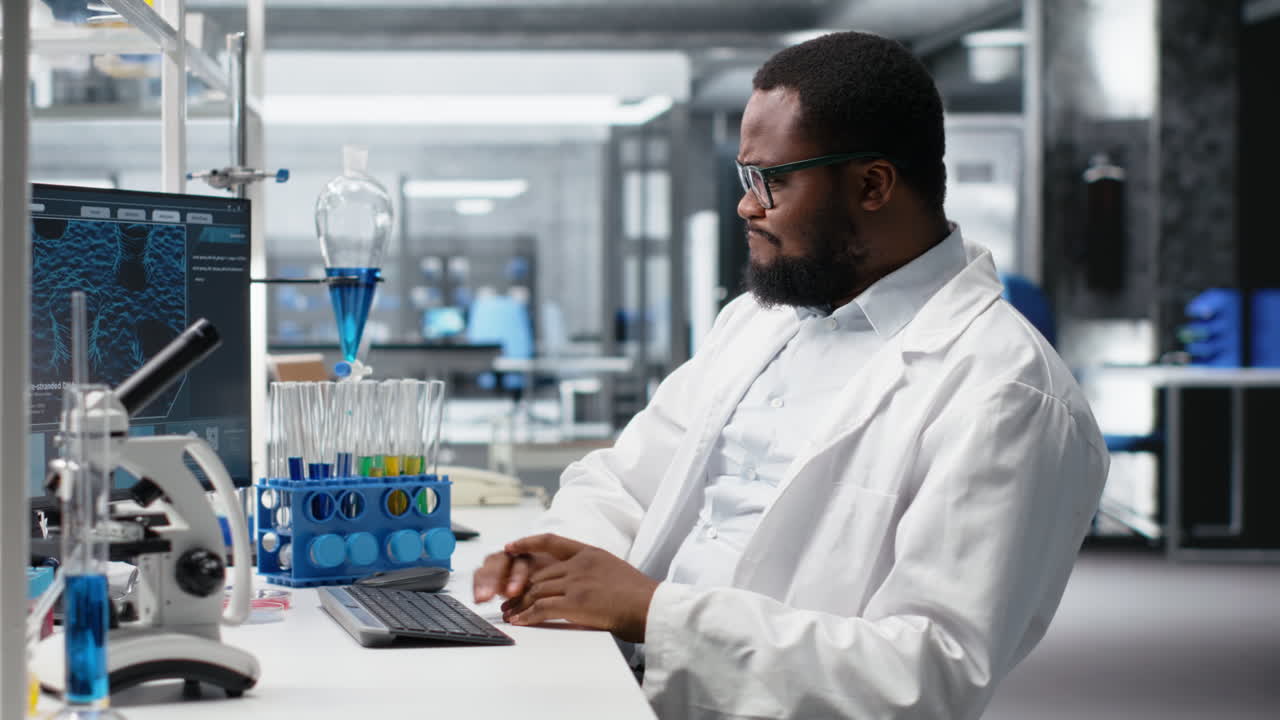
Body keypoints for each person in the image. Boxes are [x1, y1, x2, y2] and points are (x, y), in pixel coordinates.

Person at [474, 31, 1107, 720]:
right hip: (620, 682)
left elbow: (925, 673)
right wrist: (562, 563)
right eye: (746, 178)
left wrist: (653, 612)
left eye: (772, 179)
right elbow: (624, 482)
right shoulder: (758, 321)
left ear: (872, 184)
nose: (747, 206)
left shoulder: (1006, 392)